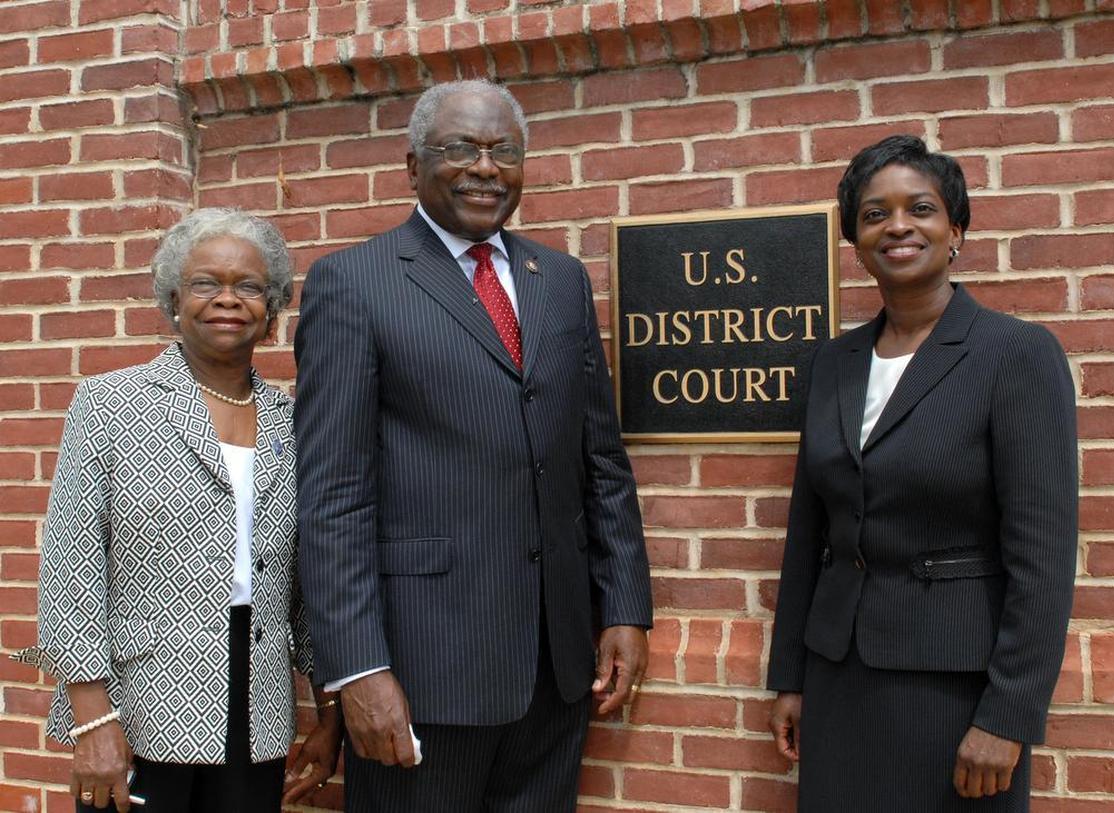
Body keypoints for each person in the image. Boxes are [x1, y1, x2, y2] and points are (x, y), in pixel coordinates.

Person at [294, 78, 654, 812]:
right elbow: (332, 495)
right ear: (413, 165)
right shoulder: (353, 284)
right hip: (423, 673)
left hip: (555, 670)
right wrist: (357, 668)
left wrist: (623, 605)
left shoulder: (558, 281)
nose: (486, 168)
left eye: (504, 151)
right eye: (462, 148)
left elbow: (600, 461)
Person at [766, 135, 1077, 811]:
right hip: (839, 679)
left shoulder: (1016, 355)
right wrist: (789, 675)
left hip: (956, 692)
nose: (898, 225)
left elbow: (1044, 559)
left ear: (956, 230)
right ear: (855, 238)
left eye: (921, 208)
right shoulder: (832, 364)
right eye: (875, 213)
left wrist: (1008, 715)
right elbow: (807, 532)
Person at [17, 208, 342, 812]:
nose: (228, 300)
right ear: (172, 299)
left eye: (248, 287)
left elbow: (308, 583)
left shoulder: (293, 421)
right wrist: (92, 720)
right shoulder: (111, 403)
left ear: (271, 309)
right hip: (139, 705)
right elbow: (70, 571)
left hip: (259, 701)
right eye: (205, 284)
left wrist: (327, 712)